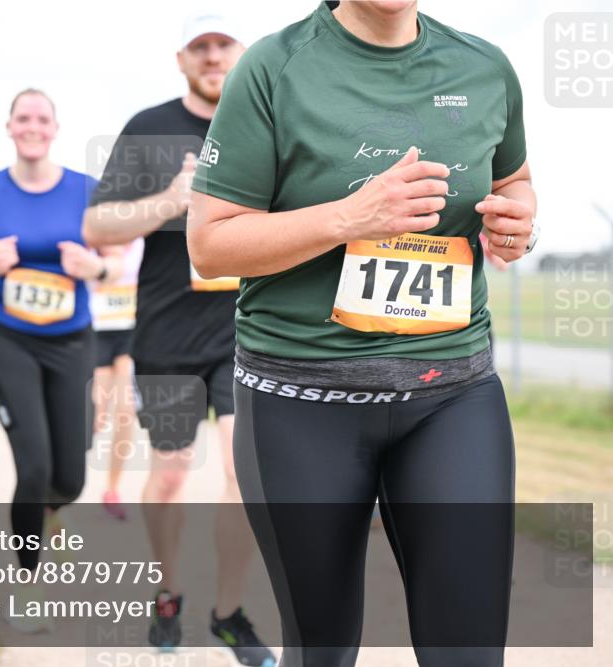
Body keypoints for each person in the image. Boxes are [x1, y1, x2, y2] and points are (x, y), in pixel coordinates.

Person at [187, 2, 537, 665]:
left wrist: (518, 221)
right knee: (322, 649)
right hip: (299, 400)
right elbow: (210, 244)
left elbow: (514, 178)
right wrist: (350, 216)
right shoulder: (273, 67)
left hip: (451, 394)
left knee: (470, 652)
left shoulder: (485, 67)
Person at [82, 14, 276, 666]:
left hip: (247, 332)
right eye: (202, 47)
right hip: (166, 336)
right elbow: (97, 223)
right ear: (181, 58)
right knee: (167, 476)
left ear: (243, 54)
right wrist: (167, 201)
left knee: (243, 474)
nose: (214, 56)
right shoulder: (149, 128)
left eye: (224, 45)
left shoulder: (269, 119)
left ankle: (226, 610)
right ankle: (169, 593)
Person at [0, 88, 122, 633]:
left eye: (41, 118)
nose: (32, 126)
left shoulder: (85, 190)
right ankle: (27, 585)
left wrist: (91, 268)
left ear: (55, 128)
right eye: (23, 117)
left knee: (71, 475)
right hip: (7, 341)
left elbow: (114, 267)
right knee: (35, 466)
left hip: (71, 342)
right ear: (8, 127)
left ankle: (51, 511)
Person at [90, 237, 144, 521]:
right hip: (94, 331)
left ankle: (112, 489)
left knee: (126, 412)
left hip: (129, 332)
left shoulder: (141, 239)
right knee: (96, 417)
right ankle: (58, 490)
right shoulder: (93, 235)